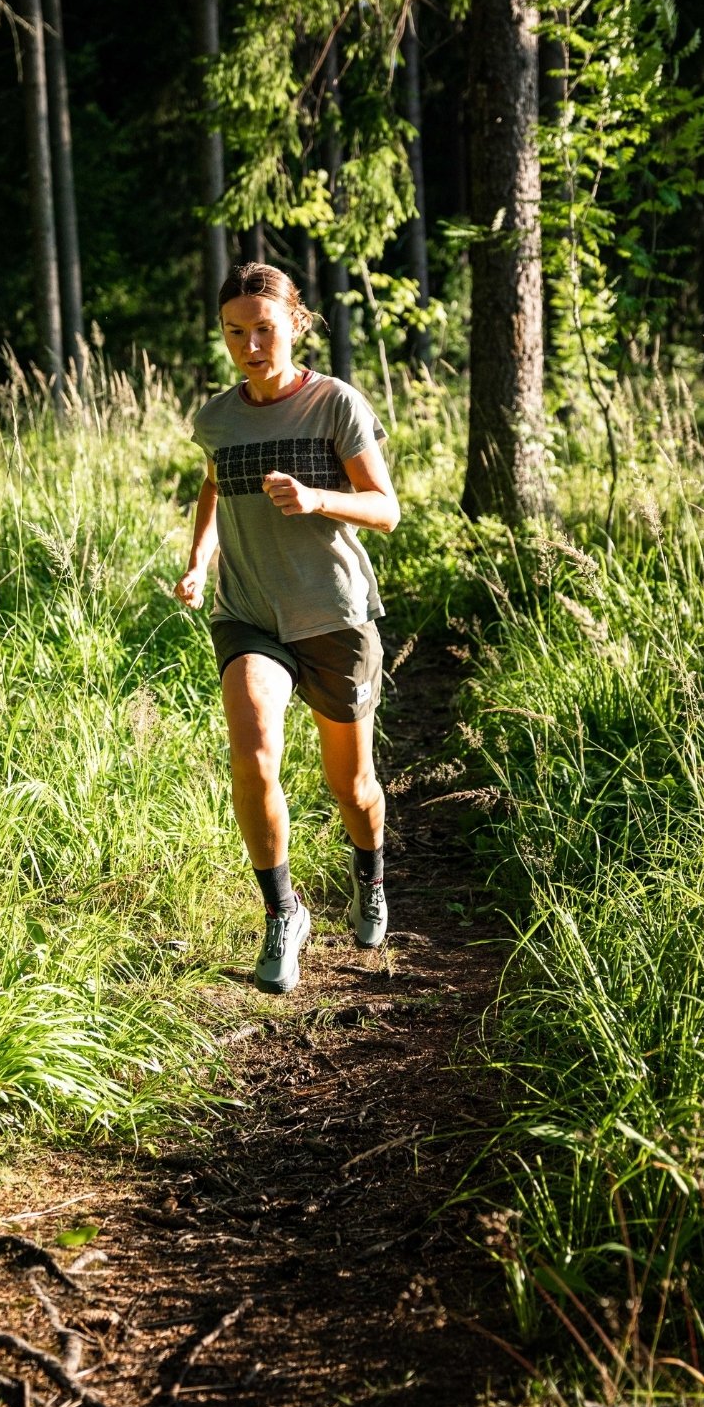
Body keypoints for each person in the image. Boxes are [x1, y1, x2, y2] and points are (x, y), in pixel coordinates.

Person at [174, 261, 400, 995]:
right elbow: (214, 483)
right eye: (234, 332)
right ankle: (283, 914)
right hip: (248, 614)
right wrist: (200, 560)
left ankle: (370, 879)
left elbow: (385, 508)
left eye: (263, 328)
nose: (249, 344)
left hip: (332, 611)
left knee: (353, 786)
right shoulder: (215, 417)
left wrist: (317, 499)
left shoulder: (334, 403)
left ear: (295, 324)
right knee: (255, 755)